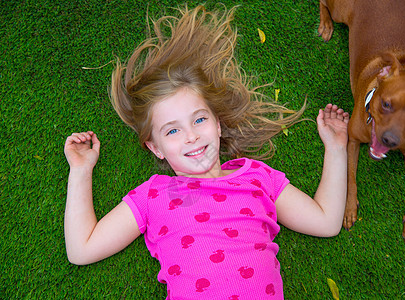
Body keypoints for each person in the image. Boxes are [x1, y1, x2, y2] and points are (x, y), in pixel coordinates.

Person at [64, 5, 349, 299]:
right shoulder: (154, 195)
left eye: (199, 119)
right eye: (172, 131)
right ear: (155, 148)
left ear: (218, 125)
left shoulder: (257, 177)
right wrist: (81, 170)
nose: (191, 136)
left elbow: (326, 222)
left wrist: (337, 148)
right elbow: (82, 249)